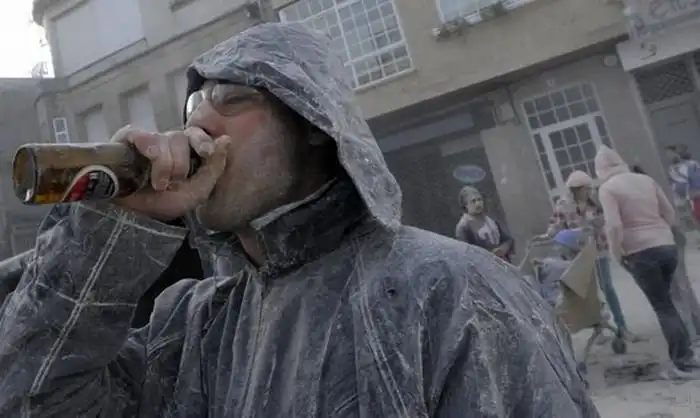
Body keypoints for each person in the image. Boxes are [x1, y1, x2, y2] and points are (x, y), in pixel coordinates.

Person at [0, 23, 598, 417]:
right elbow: (31, 400)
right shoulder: (192, 326)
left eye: (232, 98)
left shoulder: (452, 294)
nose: (197, 124)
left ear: (312, 121)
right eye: (192, 106)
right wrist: (108, 234)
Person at [595, 145, 700, 377]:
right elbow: (669, 213)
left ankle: (683, 360)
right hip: (666, 247)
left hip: (640, 253)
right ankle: (687, 352)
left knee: (662, 306)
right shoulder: (646, 180)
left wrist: (617, 253)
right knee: (670, 302)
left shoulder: (608, 189)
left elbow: (614, 226)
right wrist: (662, 234)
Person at [539, 170, 640, 343]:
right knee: (587, 292)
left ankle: (622, 326)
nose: (588, 192)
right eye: (585, 189)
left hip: (598, 250)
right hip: (577, 254)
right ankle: (598, 330)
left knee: (607, 287)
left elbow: (605, 222)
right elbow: (556, 224)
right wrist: (548, 235)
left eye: (589, 188)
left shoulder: (595, 204)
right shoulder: (563, 205)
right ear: (576, 189)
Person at [455, 185, 514, 262]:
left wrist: (503, 249)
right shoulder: (463, 227)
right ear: (466, 205)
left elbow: (508, 239)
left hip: (503, 263)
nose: (478, 204)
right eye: (473, 201)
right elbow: (467, 255)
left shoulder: (490, 219)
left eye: (479, 200)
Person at [666, 145, 700, 226]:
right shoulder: (673, 169)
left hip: (695, 199)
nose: (667, 157)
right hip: (687, 203)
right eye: (666, 154)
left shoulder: (691, 165)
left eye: (669, 153)